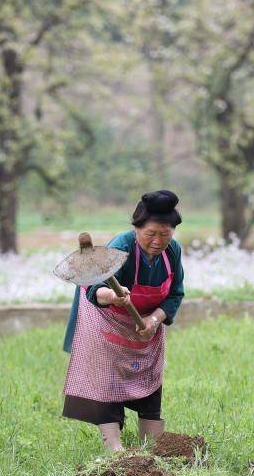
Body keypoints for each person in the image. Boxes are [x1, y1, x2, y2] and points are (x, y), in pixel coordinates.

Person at [61, 191, 186, 452]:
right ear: (137, 228)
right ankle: (114, 447)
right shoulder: (121, 246)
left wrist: (153, 319)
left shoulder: (172, 251)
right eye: (151, 233)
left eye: (165, 234)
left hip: (144, 327)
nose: (157, 241)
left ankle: (151, 447)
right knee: (108, 380)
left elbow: (175, 294)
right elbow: (94, 287)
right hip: (104, 319)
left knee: (150, 377)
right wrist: (112, 296)